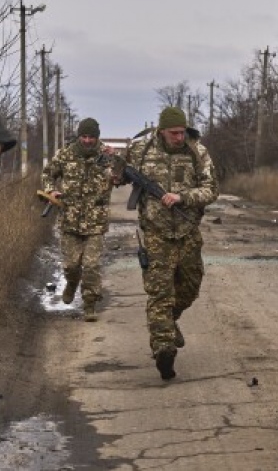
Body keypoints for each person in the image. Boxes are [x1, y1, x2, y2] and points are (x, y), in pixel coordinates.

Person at [119, 107, 217, 381]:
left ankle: (167, 323)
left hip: (187, 232)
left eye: (182, 131)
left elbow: (212, 189)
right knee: (160, 293)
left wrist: (182, 197)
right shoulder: (140, 150)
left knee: (190, 287)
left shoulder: (198, 152)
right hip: (155, 233)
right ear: (161, 130)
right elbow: (117, 178)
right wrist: (112, 164)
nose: (178, 137)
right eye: (174, 132)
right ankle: (164, 349)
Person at [40, 117, 114, 322]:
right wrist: (51, 190)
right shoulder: (66, 154)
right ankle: (72, 283)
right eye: (84, 136)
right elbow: (48, 174)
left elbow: (121, 176)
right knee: (71, 266)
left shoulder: (106, 156)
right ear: (79, 136)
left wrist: (116, 159)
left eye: (91, 137)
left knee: (91, 266)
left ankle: (89, 305)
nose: (88, 140)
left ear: (97, 137)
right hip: (70, 220)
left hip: (96, 222)